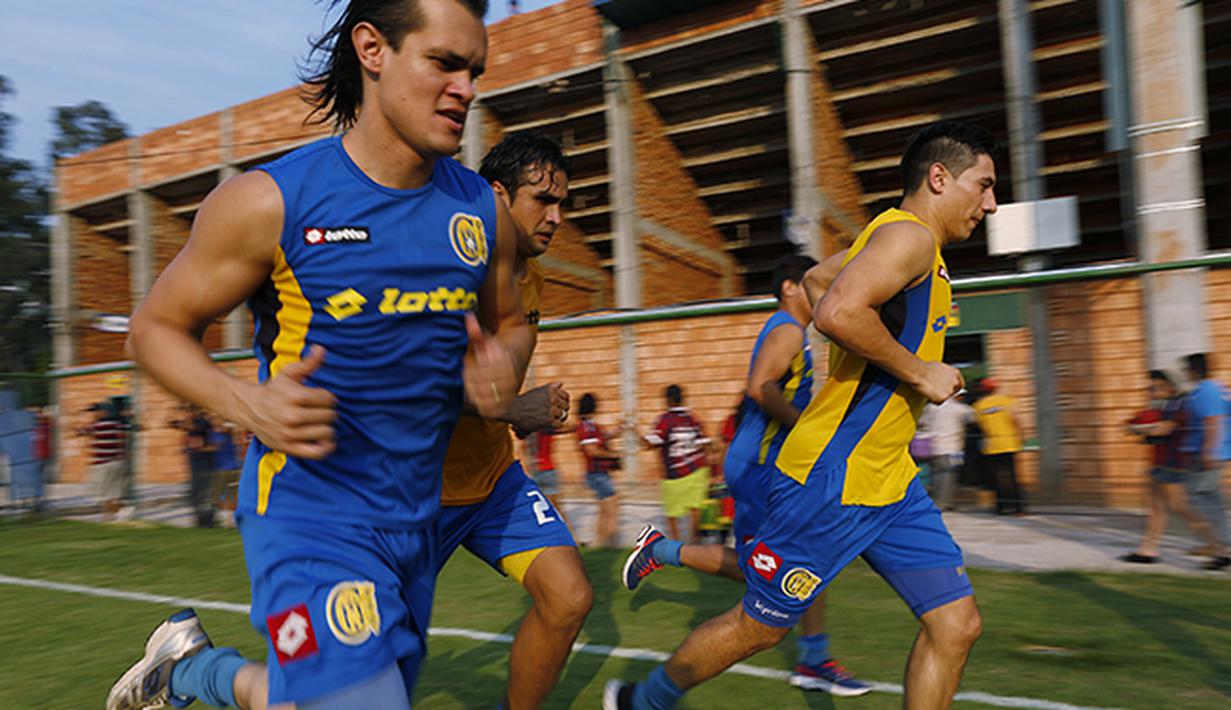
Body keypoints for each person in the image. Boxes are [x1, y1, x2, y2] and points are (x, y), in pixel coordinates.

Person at [107, 0, 533, 708]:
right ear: (373, 49)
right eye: (444, 64)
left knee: (310, 696)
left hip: (413, 526)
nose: (467, 88)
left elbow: (512, 321)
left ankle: (186, 672)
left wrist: (504, 367)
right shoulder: (271, 203)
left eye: (474, 70)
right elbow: (153, 330)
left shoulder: (479, 212)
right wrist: (248, 403)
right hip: (309, 518)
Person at [605, 120, 997, 710]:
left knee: (956, 624)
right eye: (984, 185)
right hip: (833, 481)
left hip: (889, 481)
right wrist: (921, 372)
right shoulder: (909, 237)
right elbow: (835, 309)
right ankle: (643, 701)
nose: (991, 204)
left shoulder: (906, 244)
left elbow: (816, 280)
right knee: (762, 626)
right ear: (939, 177)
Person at [620, 254, 870, 697]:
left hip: (767, 466)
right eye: (814, 285)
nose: (823, 294)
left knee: (792, 562)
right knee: (782, 566)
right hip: (761, 469)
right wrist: (811, 429)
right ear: (791, 287)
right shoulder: (787, 328)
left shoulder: (791, 332)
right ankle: (811, 658)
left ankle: (813, 656)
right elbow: (760, 389)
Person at [434, 130, 592, 709]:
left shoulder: (533, 277)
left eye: (562, 205)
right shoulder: (446, 270)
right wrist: (516, 408)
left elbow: (497, 385)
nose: (555, 217)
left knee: (569, 597)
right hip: (414, 494)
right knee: (347, 675)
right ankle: (197, 671)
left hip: (492, 481)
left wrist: (518, 412)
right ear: (496, 196)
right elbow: (412, 382)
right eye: (541, 201)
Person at [1120, 370, 1222, 564]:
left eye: (1155, 387)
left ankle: (1218, 546)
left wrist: (1142, 429)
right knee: (1161, 508)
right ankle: (1148, 550)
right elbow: (1127, 426)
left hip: (1173, 465)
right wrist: (1143, 428)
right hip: (1160, 462)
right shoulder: (1162, 406)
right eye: (1150, 388)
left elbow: (1164, 429)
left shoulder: (1181, 405)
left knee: (1179, 508)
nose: (1150, 391)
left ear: (1169, 387)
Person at [1178, 353, 1231, 571]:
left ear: (1194, 370)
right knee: (1208, 499)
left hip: (1208, 453)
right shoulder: (1214, 388)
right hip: (1209, 452)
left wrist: (1209, 451)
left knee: (1205, 500)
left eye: (1186, 369)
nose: (1185, 373)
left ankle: (1223, 550)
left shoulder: (1206, 391)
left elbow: (1214, 421)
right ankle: (1220, 548)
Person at [642, 384, 711, 543]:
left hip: (675, 475)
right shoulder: (692, 419)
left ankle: (677, 548)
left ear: (667, 401)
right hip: (697, 471)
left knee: (672, 515)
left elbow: (651, 443)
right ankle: (695, 545)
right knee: (695, 510)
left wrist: (635, 433)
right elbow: (706, 444)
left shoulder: (666, 420)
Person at [972, 378, 1026, 515]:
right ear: (996, 388)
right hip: (1009, 443)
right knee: (1012, 476)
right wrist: (1022, 435)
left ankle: (1000, 508)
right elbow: (1015, 419)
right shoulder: (1007, 401)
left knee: (996, 478)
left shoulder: (978, 406)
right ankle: (1018, 508)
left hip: (991, 444)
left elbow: (977, 424)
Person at [576, 392, 622, 548]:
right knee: (612, 509)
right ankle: (609, 544)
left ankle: (601, 544)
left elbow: (600, 439)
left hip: (599, 474)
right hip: (597, 474)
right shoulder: (587, 426)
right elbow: (592, 451)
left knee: (605, 510)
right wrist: (614, 454)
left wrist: (615, 432)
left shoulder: (590, 425)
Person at [919, 391, 975, 510]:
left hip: (932, 448)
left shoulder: (931, 407)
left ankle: (937, 501)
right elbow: (973, 418)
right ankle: (942, 503)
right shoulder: (959, 408)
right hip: (951, 449)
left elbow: (922, 422)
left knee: (935, 476)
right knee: (947, 478)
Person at [171, 404, 218, 528]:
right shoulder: (193, 423)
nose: (186, 414)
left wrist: (184, 415)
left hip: (204, 463)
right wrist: (175, 411)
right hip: (195, 462)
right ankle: (200, 520)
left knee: (204, 492)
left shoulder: (202, 422)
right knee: (197, 492)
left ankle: (207, 521)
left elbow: (192, 428)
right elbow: (171, 423)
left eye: (188, 411)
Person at [80, 401, 128, 520]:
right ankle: (110, 517)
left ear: (104, 412)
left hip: (103, 464)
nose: (93, 414)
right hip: (117, 463)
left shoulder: (98, 425)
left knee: (105, 495)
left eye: (95, 411)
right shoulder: (117, 424)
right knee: (112, 496)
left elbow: (80, 431)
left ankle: (112, 515)